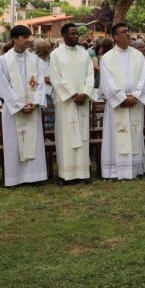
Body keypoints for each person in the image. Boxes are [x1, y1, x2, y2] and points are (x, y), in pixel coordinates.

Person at [0, 25, 49, 187]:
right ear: (14, 39)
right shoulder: (4, 60)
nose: (27, 40)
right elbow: (3, 85)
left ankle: (35, 176)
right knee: (14, 144)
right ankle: (16, 178)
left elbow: (40, 82)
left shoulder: (35, 60)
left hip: (32, 108)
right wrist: (19, 105)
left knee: (34, 142)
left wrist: (35, 102)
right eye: (24, 37)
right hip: (14, 111)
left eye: (28, 37)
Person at [98, 22, 145, 180]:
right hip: (117, 106)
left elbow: (143, 78)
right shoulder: (107, 58)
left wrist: (136, 96)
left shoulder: (138, 55)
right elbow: (107, 81)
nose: (128, 34)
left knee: (134, 133)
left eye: (128, 31)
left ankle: (135, 169)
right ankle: (115, 171)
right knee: (117, 135)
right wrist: (121, 98)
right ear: (115, 37)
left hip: (134, 102)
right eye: (124, 32)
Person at [49, 23, 94, 183]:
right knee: (66, 136)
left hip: (82, 100)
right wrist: (73, 94)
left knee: (82, 136)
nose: (76, 36)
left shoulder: (84, 53)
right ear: (64, 35)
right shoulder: (56, 55)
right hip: (66, 102)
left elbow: (90, 75)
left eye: (77, 33)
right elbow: (56, 78)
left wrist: (85, 93)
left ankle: (83, 173)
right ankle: (66, 174)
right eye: (72, 34)